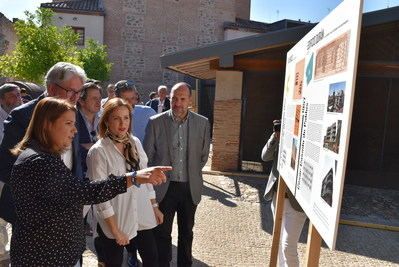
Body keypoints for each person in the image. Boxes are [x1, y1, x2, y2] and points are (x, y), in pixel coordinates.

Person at [9, 97, 170, 266]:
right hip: (45, 256)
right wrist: (133, 178)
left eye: (74, 123)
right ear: (48, 124)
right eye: (69, 123)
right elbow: (84, 192)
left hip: (53, 253)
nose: (75, 130)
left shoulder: (43, 156)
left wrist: (151, 202)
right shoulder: (40, 162)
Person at [0, 62, 86, 235]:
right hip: (33, 217)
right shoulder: (22, 116)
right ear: (52, 88)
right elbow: (6, 167)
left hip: (69, 212)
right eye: (71, 91)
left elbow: (75, 160)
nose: (76, 97)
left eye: (79, 92)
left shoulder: (75, 113)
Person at [87, 98, 163, 267]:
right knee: (113, 262)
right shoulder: (98, 151)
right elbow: (100, 196)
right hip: (117, 218)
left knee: (152, 259)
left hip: (142, 210)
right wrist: (115, 231)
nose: (123, 123)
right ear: (106, 120)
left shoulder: (134, 142)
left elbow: (146, 176)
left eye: (126, 118)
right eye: (116, 118)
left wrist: (154, 207)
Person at [144, 82, 211, 267]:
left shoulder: (202, 123)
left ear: (190, 100)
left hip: (189, 187)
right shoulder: (156, 122)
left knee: (187, 232)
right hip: (164, 187)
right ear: (168, 99)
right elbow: (147, 157)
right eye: (174, 99)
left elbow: (203, 156)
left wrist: (191, 171)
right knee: (162, 232)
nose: (178, 103)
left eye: (182, 99)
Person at [262, 120, 307, 267]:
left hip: (297, 203)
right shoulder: (281, 139)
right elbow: (265, 156)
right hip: (278, 196)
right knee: (279, 241)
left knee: (288, 246)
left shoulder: (306, 141)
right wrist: (275, 137)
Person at [0, 83, 23, 262]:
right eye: (12, 96)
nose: (17, 99)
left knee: (13, 214)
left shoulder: (21, 117)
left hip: (16, 174)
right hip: (1, 174)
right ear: (2, 100)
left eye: (18, 95)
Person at [76, 82, 102, 174]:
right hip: (79, 175)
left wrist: (90, 146)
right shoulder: (72, 119)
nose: (99, 102)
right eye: (94, 98)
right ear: (81, 101)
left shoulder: (103, 119)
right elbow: (71, 149)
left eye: (99, 98)